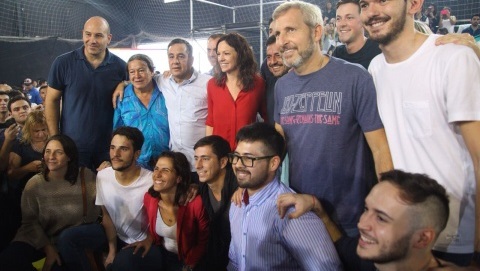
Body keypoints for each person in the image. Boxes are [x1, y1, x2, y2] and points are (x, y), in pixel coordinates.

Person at [360, 0, 480, 265]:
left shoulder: (453, 57)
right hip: (402, 233)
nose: (371, 11)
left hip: (455, 237)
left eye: (382, 1)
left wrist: (477, 243)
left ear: (413, 4)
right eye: (365, 4)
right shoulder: (375, 69)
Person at [272, 0, 393, 236]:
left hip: (351, 219)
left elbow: (380, 150)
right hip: (302, 213)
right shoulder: (281, 86)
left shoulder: (355, 78)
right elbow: (279, 145)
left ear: (317, 31)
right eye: (277, 33)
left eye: (290, 30)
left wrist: (387, 210)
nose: (281, 41)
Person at [277, 170, 478, 271]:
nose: (362, 224)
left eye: (381, 218)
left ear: (422, 238)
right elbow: (342, 244)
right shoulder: (377, 257)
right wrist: (316, 206)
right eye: (366, 209)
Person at [227, 122, 342, 271]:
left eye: (249, 158)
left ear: (273, 163)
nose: (238, 164)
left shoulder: (293, 213)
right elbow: (235, 261)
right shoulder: (237, 203)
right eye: (236, 156)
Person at [0, 134, 100, 271]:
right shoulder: (34, 183)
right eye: (48, 152)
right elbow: (29, 223)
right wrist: (48, 248)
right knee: (8, 260)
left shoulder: (85, 177)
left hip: (67, 242)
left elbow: (99, 211)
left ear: (69, 156)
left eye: (58, 152)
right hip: (37, 238)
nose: (51, 157)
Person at [45, 16, 126, 171]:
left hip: (108, 148)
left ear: (109, 38)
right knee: (75, 192)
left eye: (98, 35)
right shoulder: (63, 63)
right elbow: (51, 101)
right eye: (88, 34)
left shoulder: (121, 67)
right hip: (72, 147)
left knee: (104, 194)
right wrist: (55, 138)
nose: (92, 40)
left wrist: (125, 83)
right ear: (82, 34)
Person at [115, 151, 209, 271]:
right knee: (123, 260)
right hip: (163, 254)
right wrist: (149, 239)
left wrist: (190, 264)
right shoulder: (150, 199)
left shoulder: (195, 204)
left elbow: (203, 241)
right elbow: (153, 232)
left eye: (165, 170)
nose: (157, 174)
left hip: (191, 259)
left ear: (178, 178)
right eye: (156, 169)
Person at [206, 32, 267, 150]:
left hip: (247, 153)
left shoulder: (258, 84)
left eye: (226, 53)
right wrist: (209, 151)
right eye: (219, 54)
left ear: (240, 54)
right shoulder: (212, 85)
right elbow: (210, 122)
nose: (220, 58)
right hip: (220, 154)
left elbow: (267, 118)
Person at [113, 54, 169, 170]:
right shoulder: (122, 98)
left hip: (167, 160)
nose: (137, 76)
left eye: (141, 70)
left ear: (152, 70)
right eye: (132, 72)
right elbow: (117, 132)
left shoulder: (166, 91)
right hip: (137, 163)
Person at [194, 135, 238, 270]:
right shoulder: (200, 187)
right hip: (218, 255)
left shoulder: (241, 188)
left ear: (223, 162)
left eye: (205, 159)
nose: (198, 165)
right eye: (196, 158)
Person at [333, 0, 382, 69]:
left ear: (363, 20)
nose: (342, 24)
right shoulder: (337, 54)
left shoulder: (378, 50)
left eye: (349, 18)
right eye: (338, 19)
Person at [264, 35, 289, 124]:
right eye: (269, 57)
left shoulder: (302, 84)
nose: (273, 61)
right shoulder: (267, 85)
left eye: (277, 55)